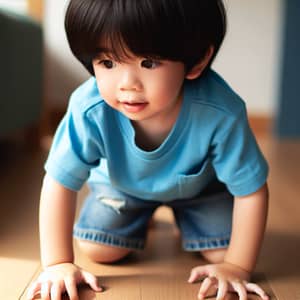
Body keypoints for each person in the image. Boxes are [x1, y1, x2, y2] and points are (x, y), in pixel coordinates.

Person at [27, 0, 270, 299]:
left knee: (223, 253)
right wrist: (58, 263)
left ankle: (188, 221)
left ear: (196, 61)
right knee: (99, 248)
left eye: (149, 63)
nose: (128, 84)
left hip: (201, 192)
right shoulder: (89, 108)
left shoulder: (220, 111)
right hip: (122, 188)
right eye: (108, 62)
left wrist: (237, 266)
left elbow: (252, 190)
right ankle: (146, 217)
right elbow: (58, 180)